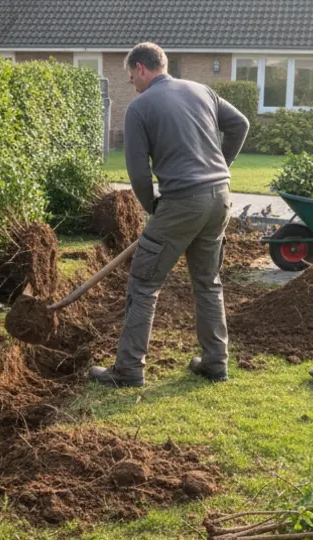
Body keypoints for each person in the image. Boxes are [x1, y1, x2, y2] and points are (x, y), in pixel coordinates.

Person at [88, 42, 250, 388]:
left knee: (144, 283)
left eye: (131, 75)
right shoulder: (201, 90)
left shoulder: (139, 108)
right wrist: (222, 165)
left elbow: (138, 174)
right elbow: (240, 125)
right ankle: (215, 363)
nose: (132, 82)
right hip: (220, 198)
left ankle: (129, 370)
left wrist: (153, 208)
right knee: (208, 283)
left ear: (142, 68)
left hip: (181, 202)